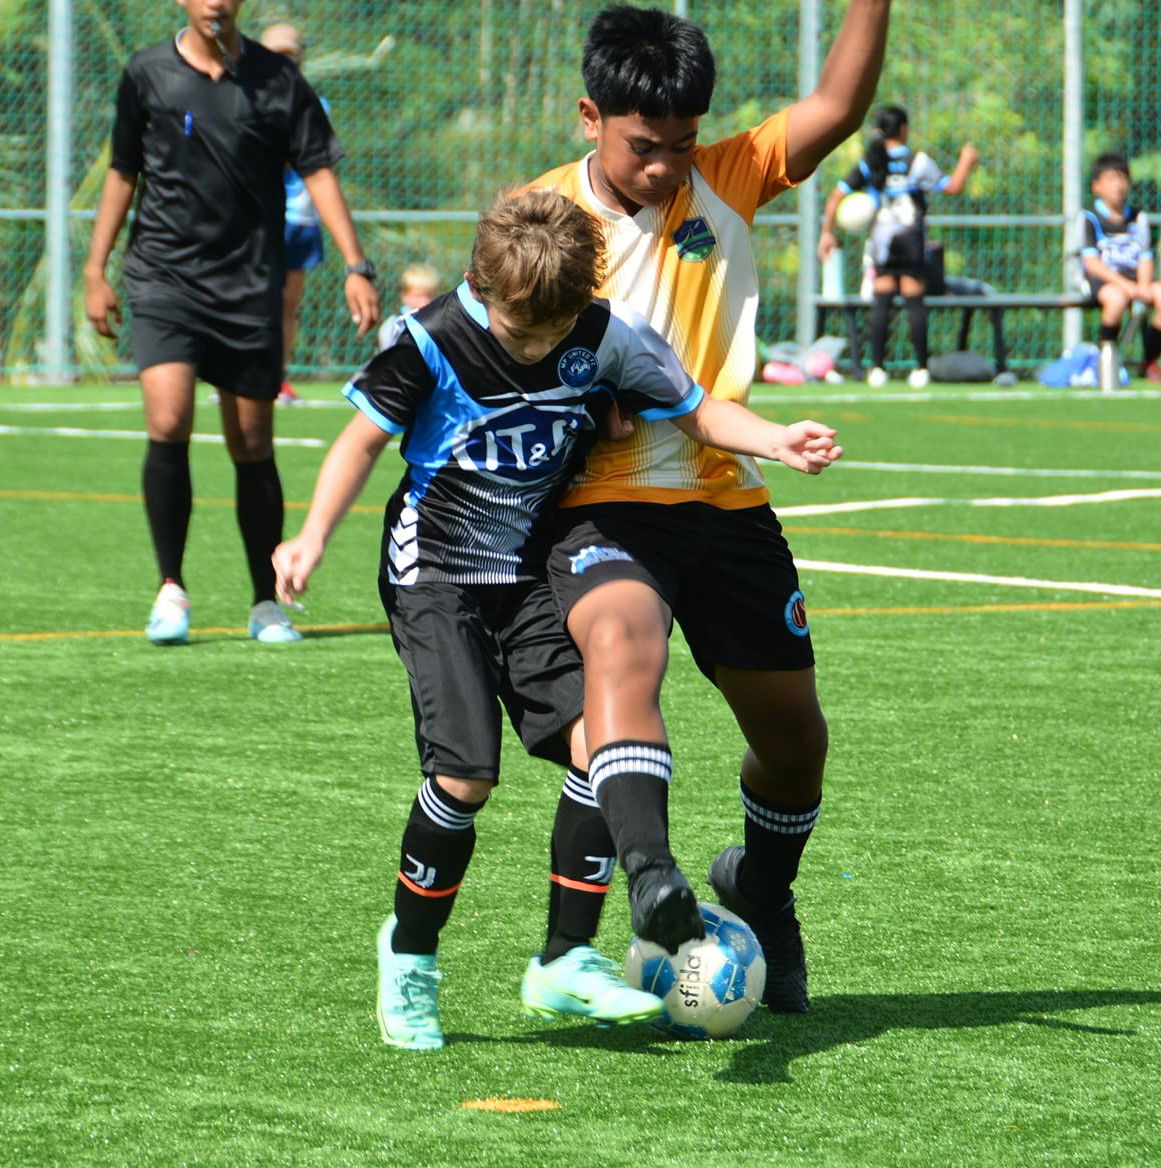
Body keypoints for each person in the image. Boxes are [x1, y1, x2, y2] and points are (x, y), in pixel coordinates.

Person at [271, 190, 843, 1050]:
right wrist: (310, 537)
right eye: (520, 332)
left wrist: (774, 439)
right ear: (480, 287)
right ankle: (410, 955)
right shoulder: (429, 339)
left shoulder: (604, 333)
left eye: (553, 332)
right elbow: (359, 441)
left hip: (524, 575)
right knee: (465, 777)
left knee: (596, 747)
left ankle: (564, 959)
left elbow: (693, 407)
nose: (537, 348)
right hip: (436, 578)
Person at [524, 0, 887, 1015]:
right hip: (601, 503)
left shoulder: (725, 178)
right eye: (643, 147)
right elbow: (495, 369)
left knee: (795, 741)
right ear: (590, 117)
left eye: (681, 144)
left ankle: (759, 890)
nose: (664, 167)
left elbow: (838, 104)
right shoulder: (540, 222)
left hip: (726, 498)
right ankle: (633, 894)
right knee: (622, 651)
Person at [83, 0, 381, 646]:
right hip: (164, 278)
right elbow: (123, 172)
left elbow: (317, 171)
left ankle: (265, 602)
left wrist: (357, 266)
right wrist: (95, 269)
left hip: (248, 285)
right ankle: (171, 588)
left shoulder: (279, 81)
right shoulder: (147, 74)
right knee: (168, 420)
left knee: (251, 441)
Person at [819, 104, 979, 388]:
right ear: (903, 130)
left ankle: (877, 368)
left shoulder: (871, 161)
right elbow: (952, 188)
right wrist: (966, 162)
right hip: (910, 239)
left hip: (882, 242)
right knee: (913, 299)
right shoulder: (917, 161)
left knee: (882, 299)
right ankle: (920, 368)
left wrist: (827, 233)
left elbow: (835, 196)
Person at [259, 22, 324, 405]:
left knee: (287, 304)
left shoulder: (314, 105)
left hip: (299, 219)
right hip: (257, 218)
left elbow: (316, 163)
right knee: (253, 299)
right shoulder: (244, 99)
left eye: (290, 55)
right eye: (275, 55)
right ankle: (239, 377)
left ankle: (278, 379)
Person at [1077, 152, 1161, 385]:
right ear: (1097, 186)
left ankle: (1150, 362)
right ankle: (1105, 361)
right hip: (1101, 280)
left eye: (1122, 178)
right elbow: (1092, 264)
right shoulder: (1090, 218)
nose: (1118, 185)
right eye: (1111, 179)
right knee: (1116, 299)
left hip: (1135, 280)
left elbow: (1145, 256)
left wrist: (1143, 285)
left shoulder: (1138, 217)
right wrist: (1125, 286)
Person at [376, 262, 442, 351]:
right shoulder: (393, 327)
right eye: (419, 296)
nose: (426, 301)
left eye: (430, 296)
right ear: (405, 296)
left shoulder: (442, 323)